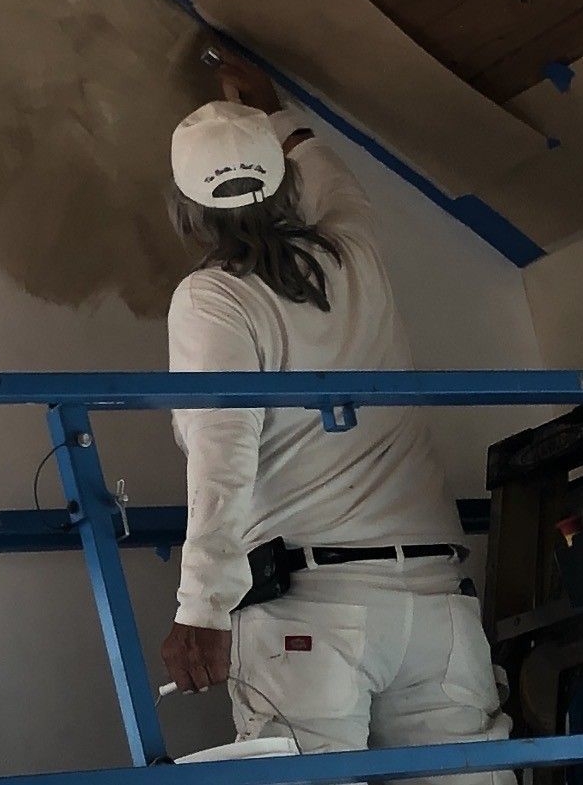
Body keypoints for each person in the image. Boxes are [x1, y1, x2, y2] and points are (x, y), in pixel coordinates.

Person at [160, 52, 511, 782]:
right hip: (436, 612)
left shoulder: (214, 299)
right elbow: (333, 179)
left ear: (184, 207)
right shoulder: (357, 251)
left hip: (309, 615)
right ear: (285, 183)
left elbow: (222, 452)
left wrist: (203, 605)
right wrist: (277, 113)